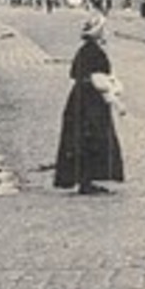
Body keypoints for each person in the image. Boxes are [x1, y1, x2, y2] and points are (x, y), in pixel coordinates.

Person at [52, 16, 126, 195]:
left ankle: (86, 179)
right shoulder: (93, 52)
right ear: (97, 33)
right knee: (92, 137)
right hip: (90, 101)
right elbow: (98, 81)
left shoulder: (85, 50)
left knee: (83, 138)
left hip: (80, 99)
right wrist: (117, 102)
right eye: (102, 30)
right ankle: (87, 181)